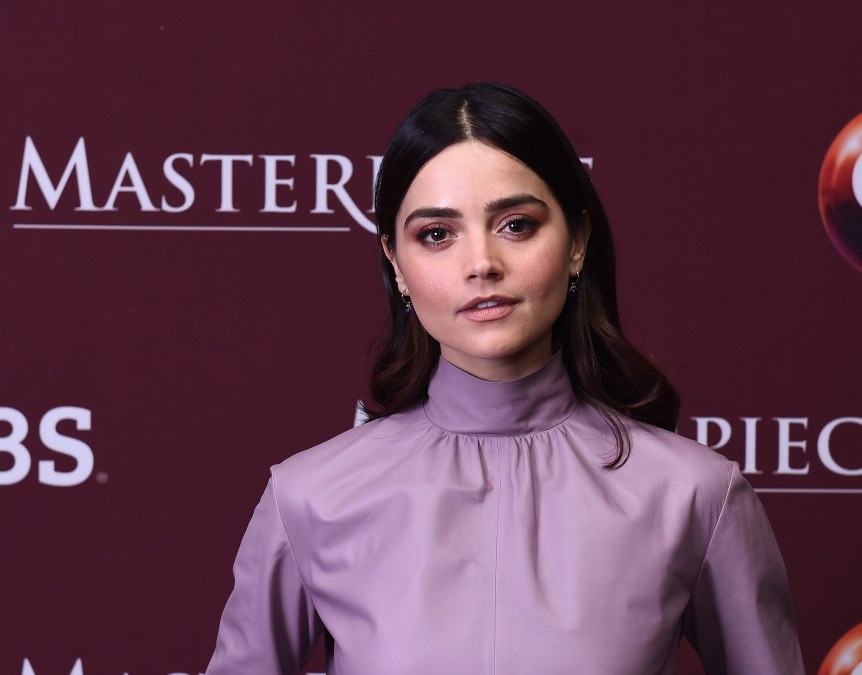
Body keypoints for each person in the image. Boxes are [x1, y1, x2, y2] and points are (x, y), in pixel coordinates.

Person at [206, 82, 804, 675]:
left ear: (577, 242)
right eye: (437, 234)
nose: (482, 264)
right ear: (396, 263)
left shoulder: (695, 495)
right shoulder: (308, 496)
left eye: (516, 224)